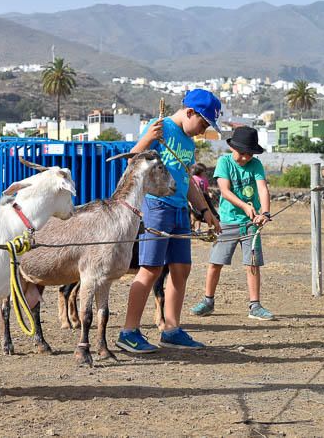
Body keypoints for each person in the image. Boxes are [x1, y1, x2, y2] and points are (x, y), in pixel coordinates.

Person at [116, 89, 222, 353]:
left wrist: (205, 210)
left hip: (179, 211)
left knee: (181, 268)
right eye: (203, 123)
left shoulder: (187, 143)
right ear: (190, 113)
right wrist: (146, 141)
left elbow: (186, 181)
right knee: (151, 269)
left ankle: (171, 329)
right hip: (157, 207)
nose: (202, 130)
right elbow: (131, 162)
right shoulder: (159, 129)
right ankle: (128, 331)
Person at [190, 126, 275, 321]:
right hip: (227, 222)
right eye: (242, 153)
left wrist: (265, 212)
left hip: (250, 224)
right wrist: (245, 206)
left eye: (250, 154)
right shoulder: (224, 162)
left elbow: (262, 189)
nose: (246, 157)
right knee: (215, 262)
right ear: (233, 148)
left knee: (252, 263)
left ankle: (255, 305)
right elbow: (225, 191)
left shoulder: (256, 165)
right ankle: (208, 301)